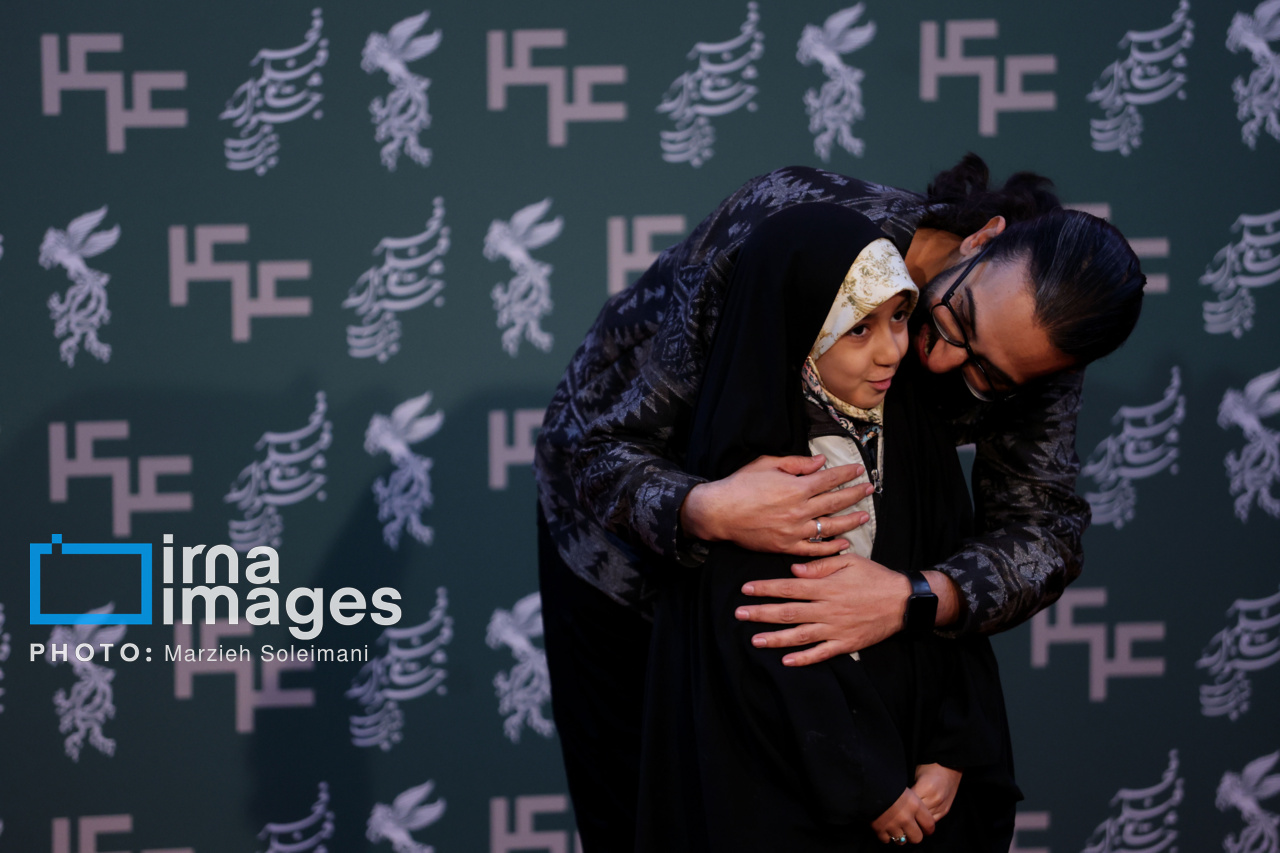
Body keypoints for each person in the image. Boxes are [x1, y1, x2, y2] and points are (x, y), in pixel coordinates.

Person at [534, 155, 1145, 851]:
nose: (938, 362)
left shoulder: (1036, 346)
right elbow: (601, 449)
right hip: (619, 547)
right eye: (957, 320)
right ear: (981, 239)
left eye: (987, 376)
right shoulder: (785, 228)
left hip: (836, 624)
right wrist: (706, 507)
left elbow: (1041, 534)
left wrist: (919, 596)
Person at [635, 203, 1018, 851]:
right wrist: (870, 784)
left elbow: (957, 587)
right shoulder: (758, 474)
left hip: (920, 780)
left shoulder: (913, 431)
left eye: (900, 316)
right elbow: (773, 645)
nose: (893, 350)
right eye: (858, 328)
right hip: (808, 797)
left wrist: (953, 747)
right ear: (800, 328)